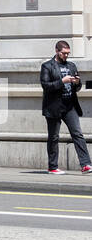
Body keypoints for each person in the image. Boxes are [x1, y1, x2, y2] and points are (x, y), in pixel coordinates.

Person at [39, 41, 92, 173]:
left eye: (68, 53)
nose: (66, 56)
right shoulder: (47, 66)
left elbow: (78, 88)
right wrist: (62, 81)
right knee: (54, 137)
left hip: (70, 106)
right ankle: (53, 166)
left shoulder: (71, 66)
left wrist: (77, 82)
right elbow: (46, 86)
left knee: (77, 134)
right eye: (64, 53)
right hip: (53, 106)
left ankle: (85, 164)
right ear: (57, 51)